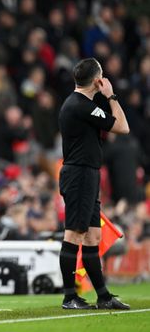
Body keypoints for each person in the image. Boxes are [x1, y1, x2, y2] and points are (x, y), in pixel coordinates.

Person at [58, 57, 130, 310]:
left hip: (86, 174)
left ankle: (103, 296)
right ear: (98, 80)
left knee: (92, 236)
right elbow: (122, 127)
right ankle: (69, 297)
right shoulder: (81, 106)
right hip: (79, 175)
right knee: (75, 234)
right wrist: (111, 97)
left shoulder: (80, 103)